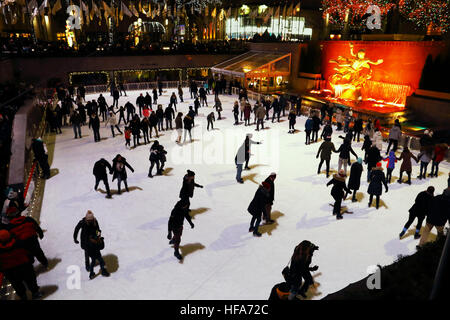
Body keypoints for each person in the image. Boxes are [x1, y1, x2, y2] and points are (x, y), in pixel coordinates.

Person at [0, 229, 42, 300]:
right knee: (31, 281)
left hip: (10, 271)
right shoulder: (19, 243)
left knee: (17, 285)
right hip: (25, 266)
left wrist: (5, 272)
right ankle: (35, 293)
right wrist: (30, 261)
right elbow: (28, 253)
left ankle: (23, 296)